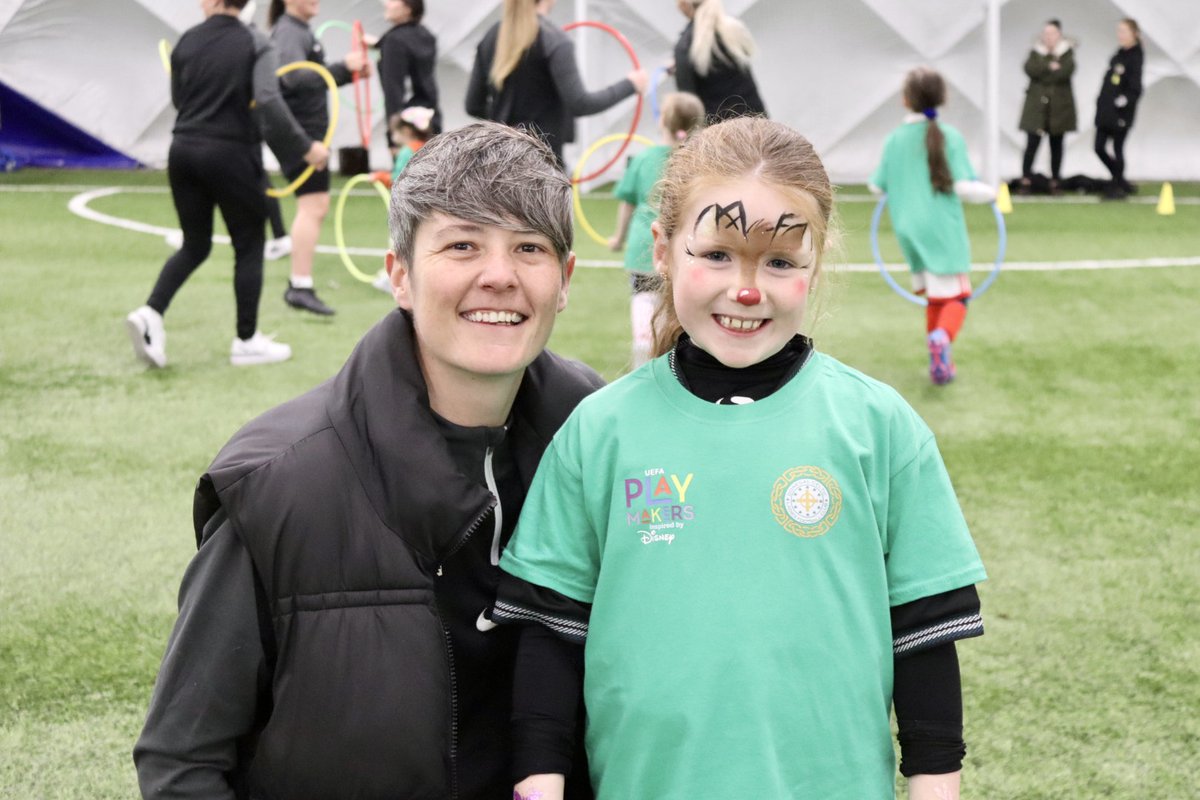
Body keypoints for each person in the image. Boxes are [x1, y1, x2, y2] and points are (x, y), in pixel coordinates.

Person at [493, 117, 987, 800]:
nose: (746, 288)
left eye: (780, 262)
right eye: (717, 254)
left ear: (814, 264)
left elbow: (927, 648)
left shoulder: (881, 430)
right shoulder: (599, 433)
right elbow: (550, 642)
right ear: (662, 250)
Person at [133, 122, 605, 799]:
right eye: (463, 245)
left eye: (527, 247)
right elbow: (183, 758)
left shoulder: (608, 448)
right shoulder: (282, 482)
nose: (498, 276)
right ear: (400, 276)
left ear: (563, 281)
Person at [125, 0, 328, 369]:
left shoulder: (186, 41)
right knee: (250, 245)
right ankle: (246, 340)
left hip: (183, 150)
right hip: (231, 153)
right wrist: (306, 147)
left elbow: (178, 99)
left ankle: (150, 312)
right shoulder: (255, 42)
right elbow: (268, 99)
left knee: (195, 244)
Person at [869, 67, 995, 385]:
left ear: (905, 100)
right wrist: (993, 193)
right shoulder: (948, 137)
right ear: (942, 98)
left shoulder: (895, 140)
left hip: (907, 230)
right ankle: (942, 338)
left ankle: (938, 360)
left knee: (935, 298)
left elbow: (876, 187)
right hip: (942, 230)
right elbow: (964, 187)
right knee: (957, 298)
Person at [269, 0, 371, 316]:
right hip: (302, 136)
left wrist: (345, 73)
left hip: (306, 134)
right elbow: (294, 79)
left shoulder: (298, 31)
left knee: (315, 205)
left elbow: (309, 80)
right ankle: (300, 286)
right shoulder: (289, 32)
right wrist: (343, 68)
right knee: (313, 205)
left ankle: (300, 284)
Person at [465, 0, 648, 166]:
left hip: (498, 160)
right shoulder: (554, 40)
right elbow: (580, 103)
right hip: (542, 165)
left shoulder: (491, 36)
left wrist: (504, 121)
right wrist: (631, 84)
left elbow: (473, 105)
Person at [607, 91, 704, 367]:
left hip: (643, 250)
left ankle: (644, 351)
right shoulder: (698, 163)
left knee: (644, 301)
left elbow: (627, 203)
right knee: (677, 308)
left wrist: (618, 238)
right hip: (683, 249)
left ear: (663, 121)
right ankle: (674, 358)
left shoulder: (644, 158)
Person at [368, 106, 436, 293]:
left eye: (394, 132)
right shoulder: (430, 149)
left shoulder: (406, 152)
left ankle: (395, 279)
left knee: (399, 241)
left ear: (405, 131)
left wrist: (378, 177)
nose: (393, 136)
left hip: (406, 207)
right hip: (427, 207)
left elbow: (398, 180)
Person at [671, 0, 766, 120]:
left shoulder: (685, 47)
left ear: (683, 5)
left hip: (721, 131)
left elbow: (688, 100)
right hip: (757, 120)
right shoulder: (733, 28)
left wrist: (680, 69)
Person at [1017, 19, 1077, 194]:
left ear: (1059, 35)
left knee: (1056, 145)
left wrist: (1044, 71)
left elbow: (1065, 72)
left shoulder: (1067, 53)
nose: (1049, 37)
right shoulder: (1035, 52)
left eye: (1052, 34)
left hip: (1059, 109)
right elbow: (1030, 69)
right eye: (1046, 34)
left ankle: (1055, 180)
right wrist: (1049, 66)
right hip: (1036, 108)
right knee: (1031, 144)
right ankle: (1026, 179)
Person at [373, 0, 441, 154]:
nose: (386, 4)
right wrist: (380, 45)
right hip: (430, 122)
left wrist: (393, 138)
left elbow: (394, 93)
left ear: (407, 8)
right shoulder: (426, 35)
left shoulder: (394, 40)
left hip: (407, 130)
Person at [1094, 18, 1144, 200]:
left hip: (1120, 114)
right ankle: (1119, 179)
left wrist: (1123, 101)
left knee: (1117, 148)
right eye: (1119, 31)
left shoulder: (1135, 56)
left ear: (1134, 34)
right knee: (1098, 147)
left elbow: (1136, 87)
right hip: (1106, 111)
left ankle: (1117, 187)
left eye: (1124, 31)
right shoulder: (1119, 54)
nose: (1120, 35)